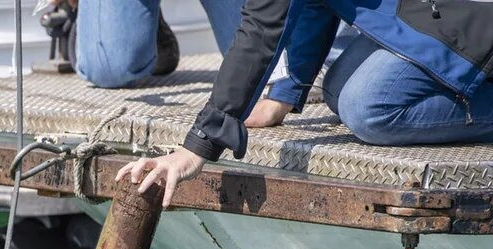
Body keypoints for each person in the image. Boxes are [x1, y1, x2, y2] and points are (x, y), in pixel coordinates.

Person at [115, 0, 493, 206]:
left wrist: (198, 145)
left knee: (369, 108)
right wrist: (286, 93)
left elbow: (262, 30)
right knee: (339, 89)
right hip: (422, 14)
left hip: (473, 17)